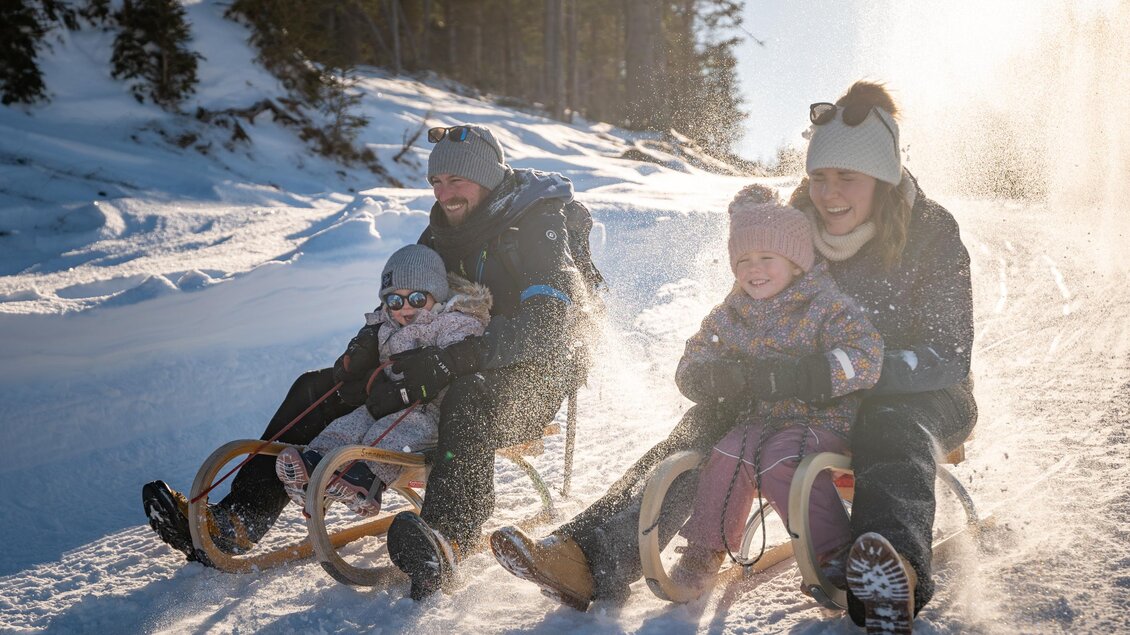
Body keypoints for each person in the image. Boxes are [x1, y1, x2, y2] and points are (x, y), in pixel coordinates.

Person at [491, 80, 975, 635]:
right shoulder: (791, 226)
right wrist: (722, 371)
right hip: (793, 393)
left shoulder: (929, 230)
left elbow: (950, 353)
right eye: (819, 176)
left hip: (913, 391)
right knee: (707, 423)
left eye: (848, 177)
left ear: (884, 178)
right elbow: (744, 306)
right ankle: (590, 551)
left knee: (893, 430)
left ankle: (886, 574)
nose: (830, 192)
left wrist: (830, 374)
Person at [143, 123, 597, 603]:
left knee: (470, 395)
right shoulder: (443, 231)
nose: (445, 193)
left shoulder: (536, 225)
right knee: (312, 387)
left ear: (487, 177)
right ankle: (238, 519)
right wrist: (365, 347)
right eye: (436, 182)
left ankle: (449, 536)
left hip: (532, 380)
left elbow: (552, 326)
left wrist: (454, 360)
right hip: (444, 362)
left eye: (456, 181)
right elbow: (403, 302)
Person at [670, 184, 882, 593]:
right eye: (743, 260)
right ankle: (706, 549)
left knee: (781, 457)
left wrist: (807, 376)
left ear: (797, 262)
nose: (754, 269)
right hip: (764, 420)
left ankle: (835, 551)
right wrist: (710, 377)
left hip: (823, 419)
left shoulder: (825, 304)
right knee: (728, 451)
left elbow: (866, 357)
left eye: (767, 257)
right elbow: (693, 359)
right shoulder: (732, 313)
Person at [274, 244, 491, 518]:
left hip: (430, 412)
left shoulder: (454, 321)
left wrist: (437, 363)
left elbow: (465, 354)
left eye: (416, 298)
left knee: (389, 434)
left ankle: (366, 481)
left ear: (437, 295)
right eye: (395, 301)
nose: (406, 309)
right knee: (351, 423)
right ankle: (314, 466)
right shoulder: (386, 324)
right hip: (389, 402)